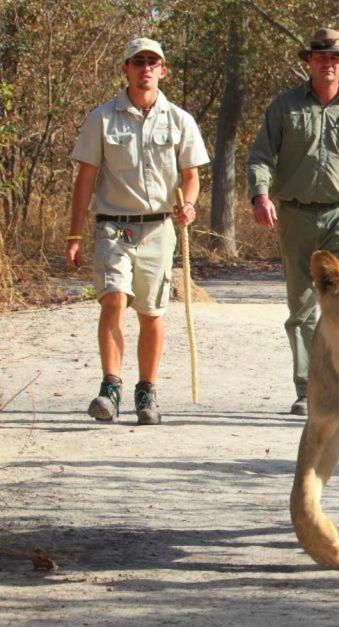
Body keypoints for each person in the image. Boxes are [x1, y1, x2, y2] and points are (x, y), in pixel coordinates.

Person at [248, 28, 339, 416]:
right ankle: (306, 385)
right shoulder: (285, 106)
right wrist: (260, 194)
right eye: (320, 57)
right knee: (301, 306)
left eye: (335, 58)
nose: (327, 64)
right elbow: (261, 155)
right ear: (309, 62)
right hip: (296, 214)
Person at [65, 37, 209, 425]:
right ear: (125, 69)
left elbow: (191, 176)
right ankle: (110, 388)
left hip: (159, 229)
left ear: (164, 70)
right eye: (138, 61)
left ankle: (146, 392)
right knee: (113, 298)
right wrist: (74, 235)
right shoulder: (102, 118)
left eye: (153, 62)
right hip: (113, 227)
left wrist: (189, 205)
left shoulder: (179, 120)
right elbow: (86, 179)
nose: (145, 68)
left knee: (151, 312)